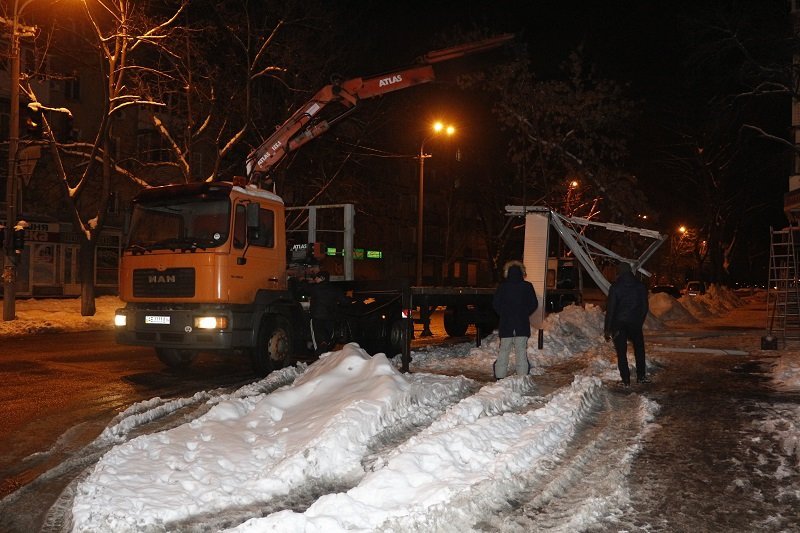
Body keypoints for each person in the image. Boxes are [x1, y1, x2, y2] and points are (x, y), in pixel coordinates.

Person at [604, 261, 651, 387]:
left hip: (619, 325)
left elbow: (611, 310)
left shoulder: (615, 287)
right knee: (639, 350)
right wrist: (639, 321)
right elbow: (645, 307)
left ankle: (626, 381)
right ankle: (641, 376)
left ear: (620, 272)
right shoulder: (640, 286)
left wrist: (607, 329)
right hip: (635, 324)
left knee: (621, 352)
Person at [492, 260, 538, 379]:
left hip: (506, 324)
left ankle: (500, 376)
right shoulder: (527, 286)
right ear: (522, 272)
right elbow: (534, 303)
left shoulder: (503, 287)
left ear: (507, 273)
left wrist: (503, 313)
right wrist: (524, 313)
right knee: (521, 351)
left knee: (504, 351)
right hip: (521, 325)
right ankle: (522, 376)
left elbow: (495, 303)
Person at [309, 270, 351, 354]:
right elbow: (345, 301)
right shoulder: (334, 288)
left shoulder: (315, 288)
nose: (315, 279)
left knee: (318, 336)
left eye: (317, 277)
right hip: (331, 317)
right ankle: (326, 348)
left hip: (317, 317)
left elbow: (301, 290)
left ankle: (320, 352)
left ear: (322, 278)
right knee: (328, 336)